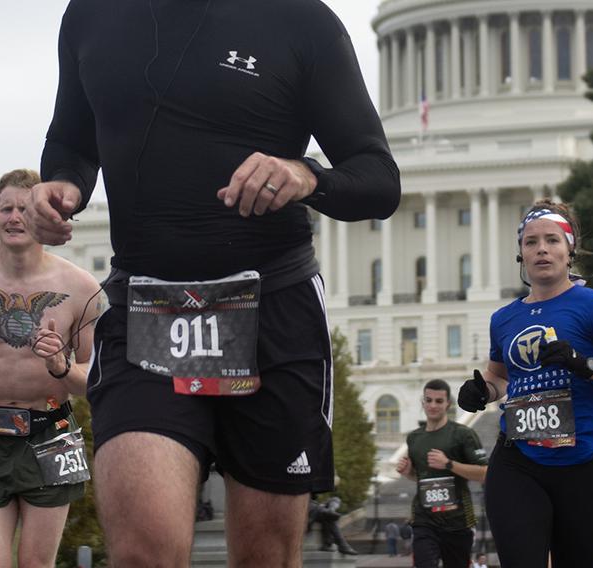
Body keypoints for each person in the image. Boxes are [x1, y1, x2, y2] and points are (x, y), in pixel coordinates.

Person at [25, 2, 400, 565]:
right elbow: (73, 139)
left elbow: (378, 177)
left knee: (265, 557)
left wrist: (305, 174)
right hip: (147, 307)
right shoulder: (91, 14)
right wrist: (61, 185)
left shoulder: (301, 20)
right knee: (144, 550)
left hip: (271, 307)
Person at [457, 199, 593, 568]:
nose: (542, 249)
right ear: (521, 254)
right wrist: (481, 390)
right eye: (531, 242)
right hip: (518, 461)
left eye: (552, 240)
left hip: (581, 462)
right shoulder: (504, 317)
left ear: (569, 251)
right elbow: (499, 376)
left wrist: (585, 364)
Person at [0, 169, 101, 568]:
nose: (14, 217)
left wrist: (60, 366)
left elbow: (91, 381)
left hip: (51, 437)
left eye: (24, 209)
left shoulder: (80, 288)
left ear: (40, 217)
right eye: (5, 208)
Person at [397, 379, 488, 568]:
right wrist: (408, 473)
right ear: (422, 403)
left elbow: (485, 473)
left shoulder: (463, 434)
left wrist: (449, 464)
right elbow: (421, 476)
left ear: (448, 403)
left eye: (439, 401)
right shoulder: (414, 438)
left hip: (458, 521)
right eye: (428, 400)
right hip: (424, 520)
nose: (433, 405)